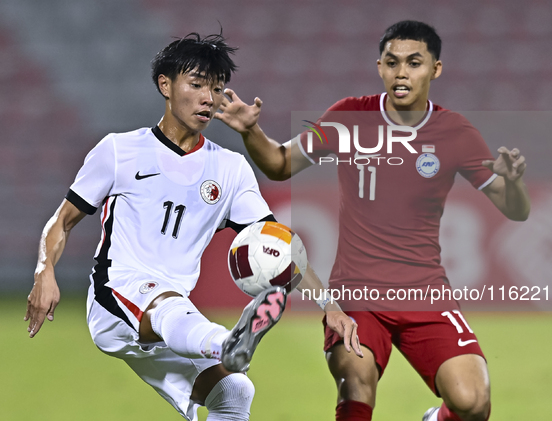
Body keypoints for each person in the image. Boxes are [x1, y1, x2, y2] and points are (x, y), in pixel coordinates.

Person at [25, 32, 360, 421]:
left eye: (217, 89)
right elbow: (62, 220)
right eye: (197, 84)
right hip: (117, 297)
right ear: (165, 85)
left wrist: (329, 305)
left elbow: (280, 246)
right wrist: (43, 269)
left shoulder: (230, 169)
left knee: (234, 392)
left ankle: (228, 346)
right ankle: (227, 343)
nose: (208, 98)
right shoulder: (119, 150)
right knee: (173, 311)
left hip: (176, 318)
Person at [215, 21, 530, 421]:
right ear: (379, 66)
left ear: (435, 69)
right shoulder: (348, 117)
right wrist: (250, 130)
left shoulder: (456, 133)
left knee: (473, 402)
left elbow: (515, 209)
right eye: (392, 62)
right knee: (356, 383)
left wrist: (515, 183)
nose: (401, 72)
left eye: (414, 63)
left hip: (425, 293)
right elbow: (279, 163)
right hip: (356, 295)